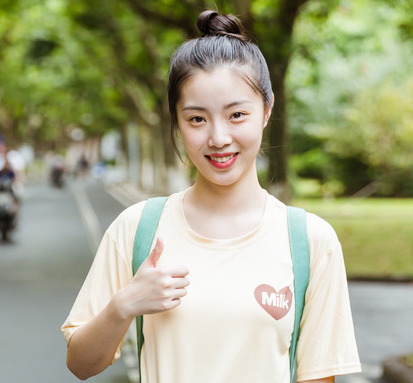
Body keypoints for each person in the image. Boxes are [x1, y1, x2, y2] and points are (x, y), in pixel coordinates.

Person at [62, 11, 360, 383]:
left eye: (237, 114)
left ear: (266, 111)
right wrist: (123, 306)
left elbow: (318, 377)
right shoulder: (138, 229)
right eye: (197, 119)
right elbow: (81, 364)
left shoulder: (310, 241)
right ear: (177, 121)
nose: (218, 138)